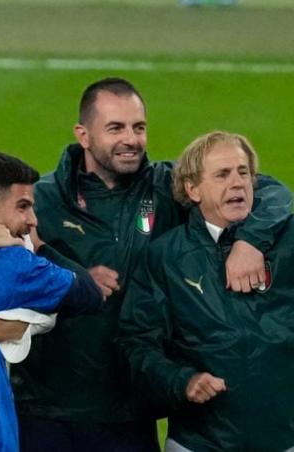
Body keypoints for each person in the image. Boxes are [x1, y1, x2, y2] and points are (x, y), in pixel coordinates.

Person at [12, 77, 293, 451]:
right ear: (83, 135)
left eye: (139, 127)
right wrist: (74, 278)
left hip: (132, 411)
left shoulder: (167, 188)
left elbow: (269, 190)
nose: (131, 139)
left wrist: (249, 240)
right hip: (48, 407)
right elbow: (9, 268)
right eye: (116, 128)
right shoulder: (42, 199)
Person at [118, 131, 294, 451]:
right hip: (200, 442)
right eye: (222, 175)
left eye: (243, 172)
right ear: (192, 189)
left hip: (284, 438)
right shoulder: (166, 258)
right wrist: (182, 380)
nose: (237, 183)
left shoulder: (287, 242)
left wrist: (251, 241)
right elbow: (137, 342)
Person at [0, 151, 103, 452]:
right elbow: (87, 294)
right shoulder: (15, 263)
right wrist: (38, 246)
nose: (32, 220)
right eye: (23, 207)